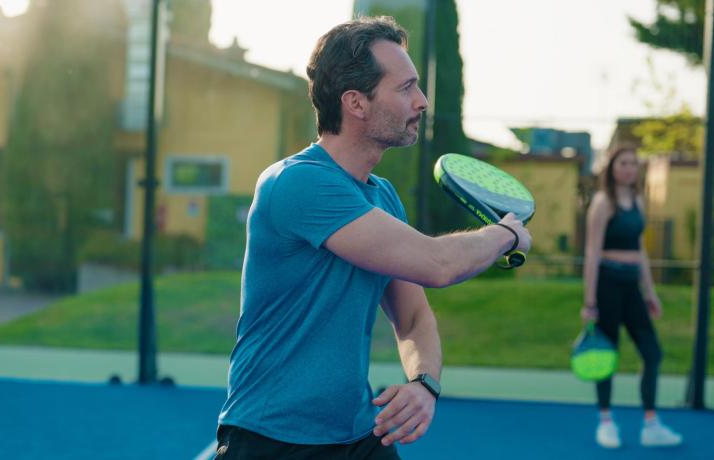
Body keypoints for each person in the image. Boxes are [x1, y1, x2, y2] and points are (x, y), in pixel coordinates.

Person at [214, 16, 531, 460]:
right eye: (405, 89)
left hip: (359, 436)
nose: (421, 102)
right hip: (273, 440)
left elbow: (414, 318)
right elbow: (437, 263)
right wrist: (506, 235)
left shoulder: (381, 196)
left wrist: (424, 383)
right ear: (356, 103)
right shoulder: (298, 184)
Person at [581, 146, 682, 449]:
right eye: (623, 163)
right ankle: (606, 422)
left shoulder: (638, 201)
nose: (629, 168)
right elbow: (592, 253)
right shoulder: (602, 203)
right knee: (606, 357)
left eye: (633, 164)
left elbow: (640, 251)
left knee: (652, 353)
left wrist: (650, 292)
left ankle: (651, 424)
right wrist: (589, 302)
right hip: (607, 286)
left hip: (632, 288)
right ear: (612, 167)